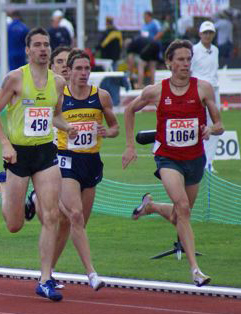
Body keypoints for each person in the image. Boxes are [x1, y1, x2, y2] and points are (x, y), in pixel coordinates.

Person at [122, 39, 224, 287]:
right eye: (180, 59)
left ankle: (152, 206)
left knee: (182, 213)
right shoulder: (155, 91)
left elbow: (220, 125)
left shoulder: (204, 89)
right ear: (169, 63)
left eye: (189, 59)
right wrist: (130, 146)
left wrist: (211, 128)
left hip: (195, 159)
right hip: (167, 158)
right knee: (183, 208)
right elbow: (129, 110)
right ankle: (195, 270)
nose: (186, 64)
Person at [0, 27, 77, 301]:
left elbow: (54, 115)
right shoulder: (15, 79)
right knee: (14, 224)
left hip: (46, 153)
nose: (43, 49)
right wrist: (4, 144)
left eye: (46, 44)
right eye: (37, 45)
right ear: (27, 50)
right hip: (17, 155)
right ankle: (2, 187)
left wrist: (68, 127)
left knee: (51, 216)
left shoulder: (58, 82)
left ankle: (45, 279)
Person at [24, 49, 120, 292]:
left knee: (74, 223)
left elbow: (114, 127)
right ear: (68, 70)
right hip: (65, 159)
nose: (83, 73)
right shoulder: (59, 95)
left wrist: (106, 132)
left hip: (91, 162)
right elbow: (50, 118)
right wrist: (67, 127)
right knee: (75, 215)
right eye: (78, 68)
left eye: (87, 69)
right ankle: (92, 273)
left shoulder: (102, 96)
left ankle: (47, 275)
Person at [191, 21, 220, 172]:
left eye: (210, 33)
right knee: (197, 124)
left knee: (215, 125)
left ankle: (209, 162)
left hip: (214, 91)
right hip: (199, 91)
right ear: (200, 34)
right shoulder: (194, 50)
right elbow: (188, 71)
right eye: (205, 32)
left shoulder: (215, 49)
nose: (208, 35)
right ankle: (198, 160)